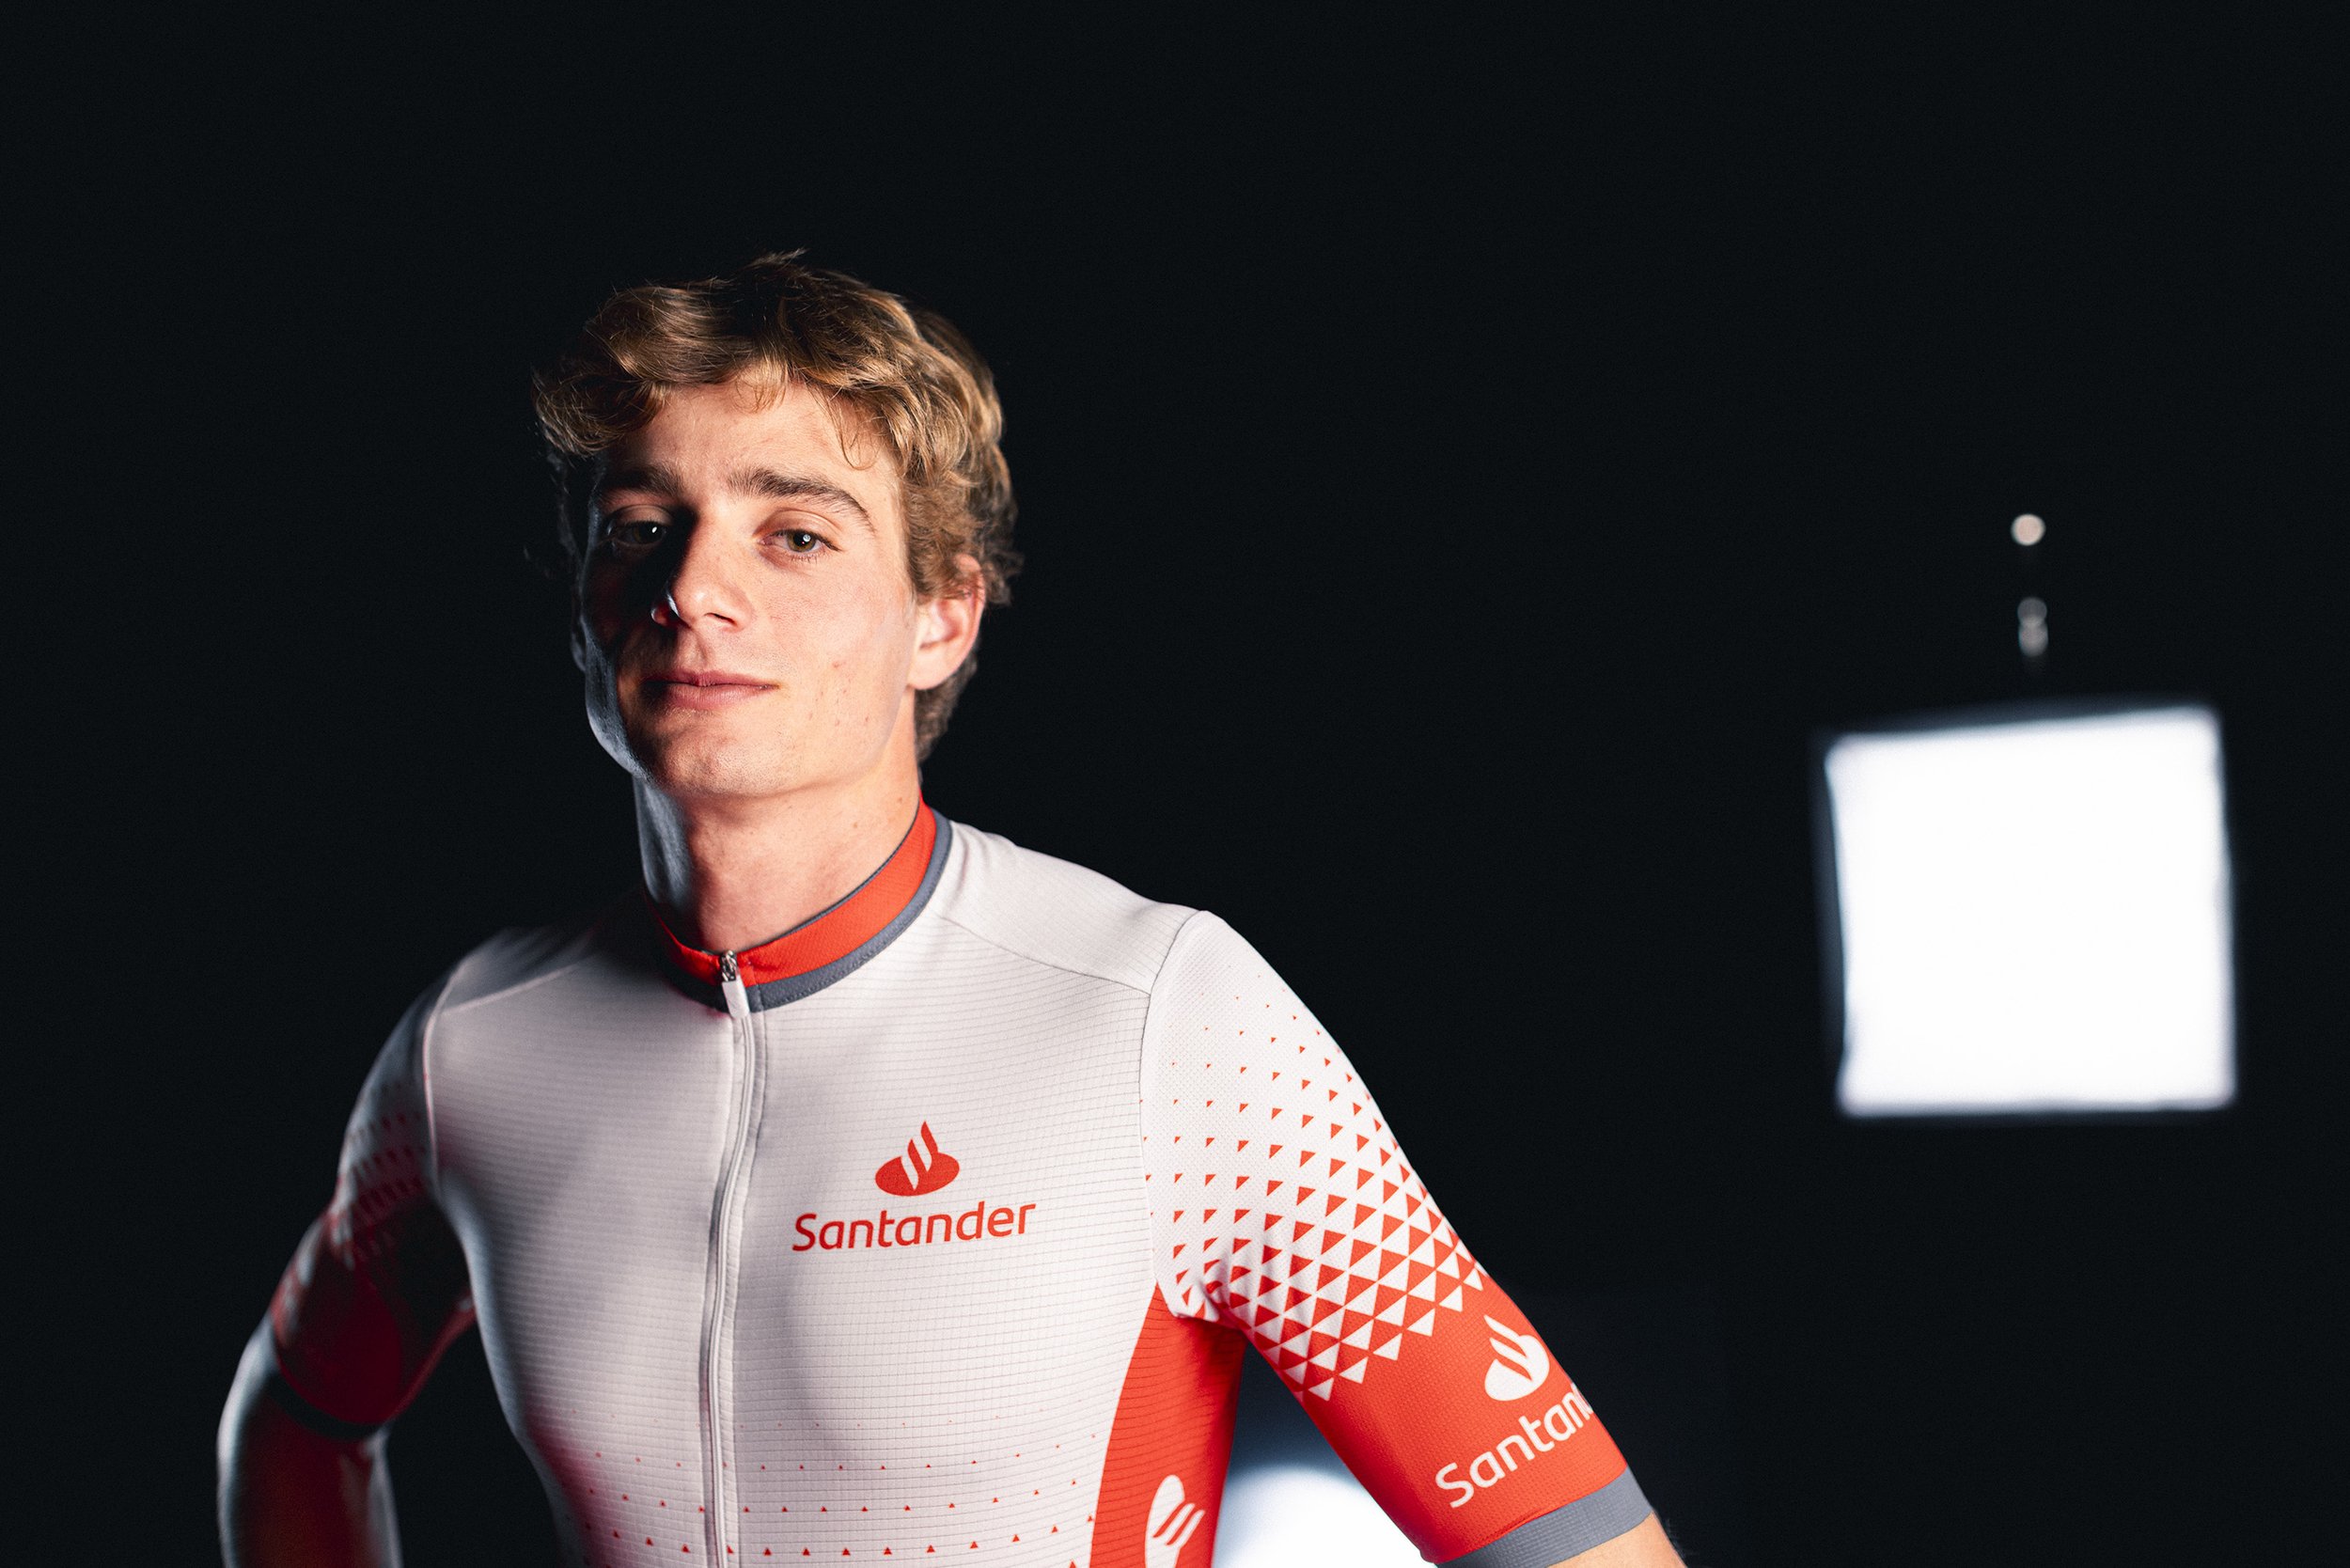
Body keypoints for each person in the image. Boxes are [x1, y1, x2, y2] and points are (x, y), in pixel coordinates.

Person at [217, 253, 1684, 1568]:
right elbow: (289, 1435)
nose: (693, 588)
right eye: (642, 526)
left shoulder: (1163, 1019)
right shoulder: (473, 1049)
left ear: (945, 615)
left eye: (796, 535)